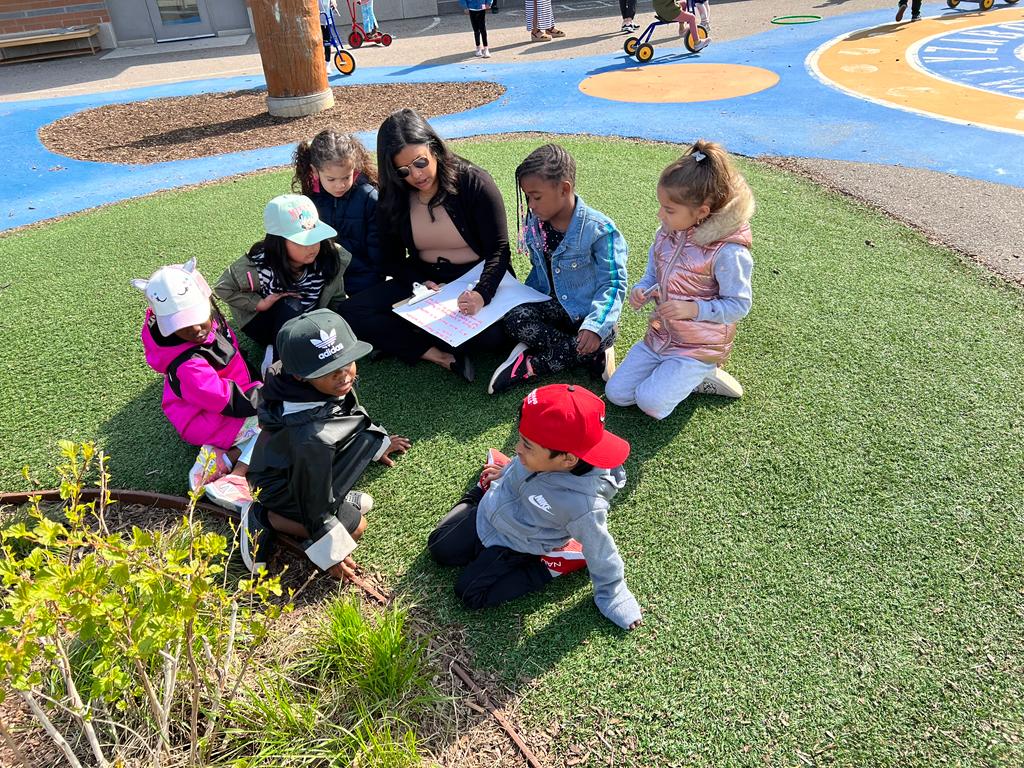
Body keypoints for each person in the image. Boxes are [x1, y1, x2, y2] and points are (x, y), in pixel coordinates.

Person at [428, 384, 642, 631]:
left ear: (567, 459)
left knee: (469, 593)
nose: (518, 448)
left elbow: (601, 551)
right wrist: (504, 472)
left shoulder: (583, 506)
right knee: (439, 548)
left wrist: (613, 595)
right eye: (520, 438)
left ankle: (553, 565)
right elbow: (521, 464)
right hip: (488, 513)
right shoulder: (539, 453)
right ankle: (480, 490)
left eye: (527, 445)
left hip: (517, 544)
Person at [338, 108, 513, 383]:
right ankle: (438, 354)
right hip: (426, 282)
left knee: (494, 337)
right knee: (351, 313)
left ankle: (408, 334)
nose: (417, 176)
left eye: (421, 162)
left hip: (476, 278)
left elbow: (500, 250)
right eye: (404, 170)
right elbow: (391, 260)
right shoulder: (393, 196)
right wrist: (421, 281)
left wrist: (482, 293)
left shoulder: (473, 181)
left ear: (434, 148)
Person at [241, 309, 410, 576]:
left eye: (348, 361)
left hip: (306, 467)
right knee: (355, 525)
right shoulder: (311, 434)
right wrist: (331, 554)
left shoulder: (307, 381)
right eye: (330, 369)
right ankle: (264, 517)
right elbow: (313, 502)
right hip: (281, 486)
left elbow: (349, 412)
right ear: (300, 375)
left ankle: (335, 496)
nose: (344, 375)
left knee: (346, 499)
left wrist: (379, 442)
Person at [605, 140, 754, 420]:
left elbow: (739, 305)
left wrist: (693, 309)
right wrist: (642, 289)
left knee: (650, 404)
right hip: (661, 335)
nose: (661, 215)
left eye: (669, 210)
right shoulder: (667, 232)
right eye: (662, 206)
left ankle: (702, 375)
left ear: (701, 213)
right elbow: (653, 274)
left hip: (698, 347)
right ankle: (674, 376)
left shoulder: (728, 251)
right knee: (617, 394)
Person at [488, 143, 627, 395]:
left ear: (564, 189)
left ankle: (530, 366)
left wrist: (594, 327)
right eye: (527, 197)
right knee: (514, 319)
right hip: (550, 306)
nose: (530, 205)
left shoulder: (600, 230)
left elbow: (613, 284)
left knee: (606, 333)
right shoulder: (535, 221)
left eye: (536, 196)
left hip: (585, 314)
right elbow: (537, 270)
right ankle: (588, 355)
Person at [132, 258, 260, 511]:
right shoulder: (188, 365)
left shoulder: (210, 324)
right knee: (277, 420)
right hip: (206, 416)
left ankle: (221, 458)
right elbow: (224, 399)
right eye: (180, 324)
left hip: (213, 406)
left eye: (197, 316)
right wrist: (266, 394)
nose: (194, 328)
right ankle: (237, 476)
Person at [214, 194, 351, 374]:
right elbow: (223, 288)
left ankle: (289, 346)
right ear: (278, 241)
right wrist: (259, 303)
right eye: (303, 241)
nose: (312, 247)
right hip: (265, 323)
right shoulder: (258, 264)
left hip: (308, 318)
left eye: (315, 237)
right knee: (290, 305)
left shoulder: (331, 257)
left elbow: (337, 296)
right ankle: (279, 367)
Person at [293, 130, 382, 296]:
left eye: (346, 177)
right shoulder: (310, 200)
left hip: (363, 279)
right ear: (315, 171)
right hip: (323, 279)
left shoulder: (369, 198)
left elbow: (378, 251)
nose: (340, 185)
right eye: (331, 179)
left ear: (354, 167)